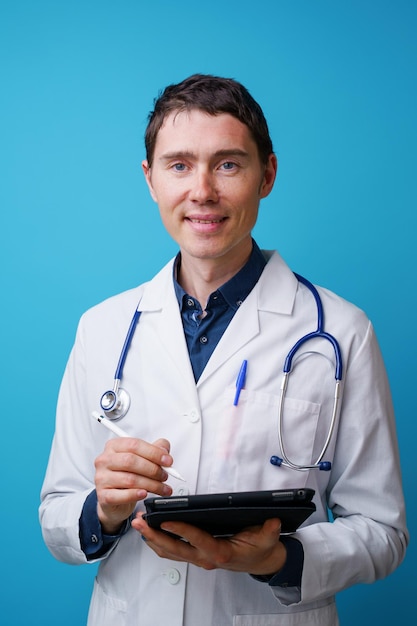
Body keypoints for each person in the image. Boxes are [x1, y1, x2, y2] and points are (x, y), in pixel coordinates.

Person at [39, 74, 408, 626]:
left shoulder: (341, 330)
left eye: (229, 164)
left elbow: (383, 532)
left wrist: (281, 558)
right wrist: (104, 510)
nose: (203, 191)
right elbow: (56, 518)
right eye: (179, 165)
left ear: (268, 175)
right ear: (151, 180)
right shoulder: (102, 328)